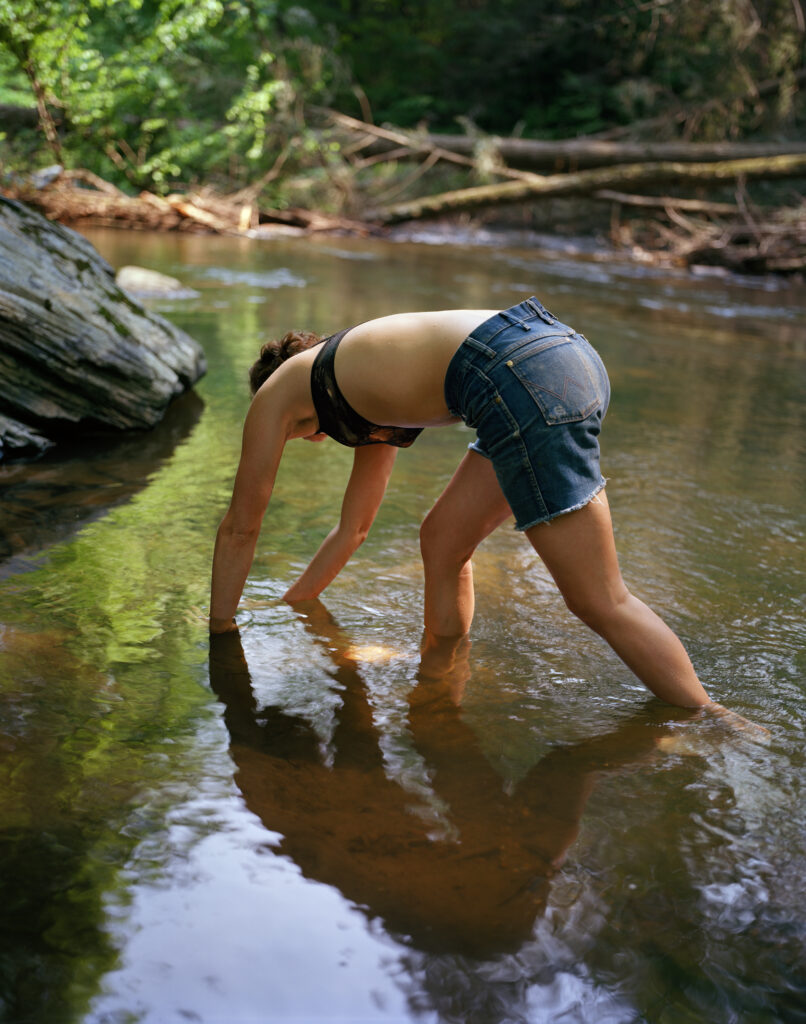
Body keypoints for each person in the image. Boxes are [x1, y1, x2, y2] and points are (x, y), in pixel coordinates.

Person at [210, 296, 712, 708]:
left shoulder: (278, 390)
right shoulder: (359, 385)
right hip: (562, 352)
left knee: (598, 598)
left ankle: (710, 719)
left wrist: (220, 631)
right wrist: (296, 604)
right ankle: (441, 682)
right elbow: (354, 530)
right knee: (443, 540)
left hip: (516, 374)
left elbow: (240, 527)